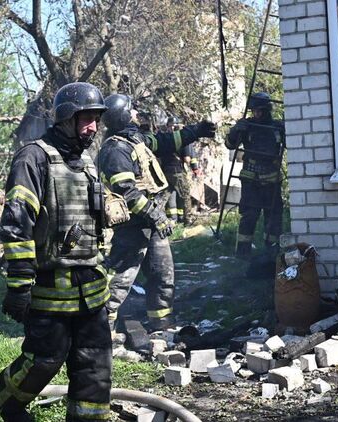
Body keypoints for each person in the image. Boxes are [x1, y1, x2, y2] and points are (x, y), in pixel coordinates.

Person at [0, 82, 112, 422]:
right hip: (50, 286)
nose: (93, 127)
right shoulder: (33, 157)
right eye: (86, 119)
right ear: (67, 118)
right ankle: (4, 401)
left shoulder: (87, 161)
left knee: (95, 360)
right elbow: (16, 226)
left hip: (91, 285)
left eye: (96, 120)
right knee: (44, 359)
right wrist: (19, 286)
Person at [98, 94, 216, 333]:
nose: (136, 114)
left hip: (151, 223)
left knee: (163, 273)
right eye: (131, 110)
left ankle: (161, 323)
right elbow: (127, 193)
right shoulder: (116, 149)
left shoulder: (135, 139)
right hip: (132, 225)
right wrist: (157, 216)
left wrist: (196, 131)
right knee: (121, 278)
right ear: (123, 115)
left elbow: (166, 141)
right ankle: (101, 330)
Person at [226, 92, 285, 258]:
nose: (256, 114)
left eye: (260, 111)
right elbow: (230, 145)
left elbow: (292, 143)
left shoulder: (277, 127)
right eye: (254, 111)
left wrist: (289, 128)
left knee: (273, 217)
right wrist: (235, 131)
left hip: (272, 180)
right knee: (249, 216)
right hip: (251, 180)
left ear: (267, 110)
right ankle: (243, 252)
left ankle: (271, 252)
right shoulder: (247, 126)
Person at [160, 116, 199, 225]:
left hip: (165, 172)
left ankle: (171, 219)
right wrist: (194, 167)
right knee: (185, 195)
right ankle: (187, 219)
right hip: (177, 171)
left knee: (168, 195)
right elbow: (187, 159)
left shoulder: (163, 138)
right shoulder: (182, 138)